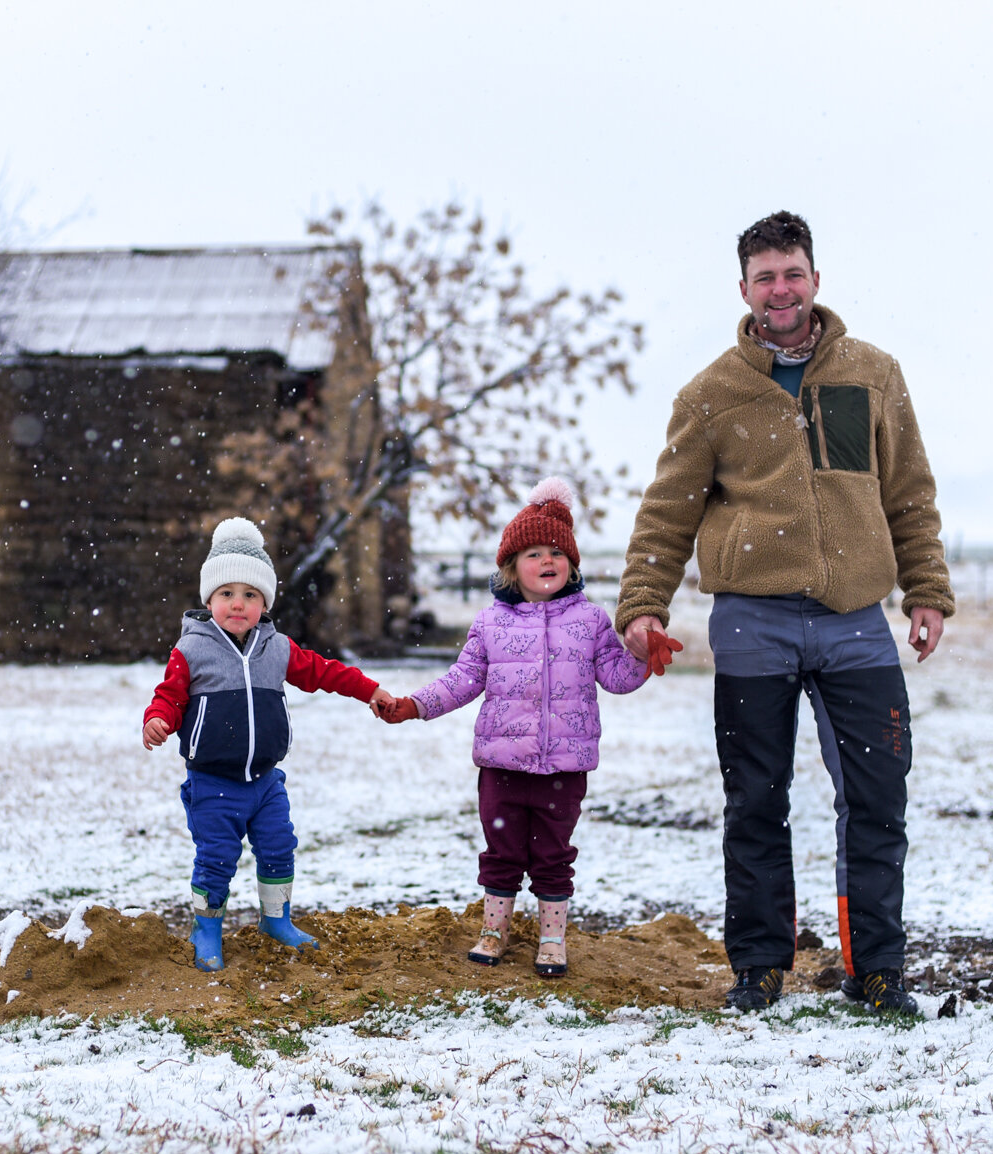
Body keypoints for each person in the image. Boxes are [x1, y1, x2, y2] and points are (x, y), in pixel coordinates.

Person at [615, 212, 955, 1015]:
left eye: (792, 273)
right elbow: (666, 513)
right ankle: (759, 965)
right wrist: (642, 605)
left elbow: (908, 492)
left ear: (814, 277)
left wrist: (928, 590)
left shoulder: (873, 374)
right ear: (743, 289)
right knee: (756, 796)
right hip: (751, 622)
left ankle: (876, 968)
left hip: (854, 620)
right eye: (765, 276)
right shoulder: (711, 396)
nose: (780, 289)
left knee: (877, 794)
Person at [378, 478, 650, 977]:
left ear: (571, 563)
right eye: (532, 553)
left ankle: (551, 937)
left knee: (553, 854)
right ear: (510, 567)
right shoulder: (490, 625)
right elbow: (462, 681)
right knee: (502, 851)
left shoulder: (590, 622)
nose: (546, 561)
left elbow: (615, 676)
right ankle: (494, 928)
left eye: (556, 552)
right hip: (501, 767)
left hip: (563, 770)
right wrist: (414, 705)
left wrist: (642, 656)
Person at [143, 516, 394, 972]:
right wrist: (158, 720)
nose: (238, 604)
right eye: (227, 594)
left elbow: (325, 671)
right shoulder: (191, 651)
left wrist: (369, 689)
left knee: (279, 847)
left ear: (264, 602)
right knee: (217, 858)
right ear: (209, 599)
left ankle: (276, 919)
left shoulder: (276, 648)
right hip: (213, 784)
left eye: (250, 595)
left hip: (265, 781)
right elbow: (169, 696)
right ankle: (207, 929)